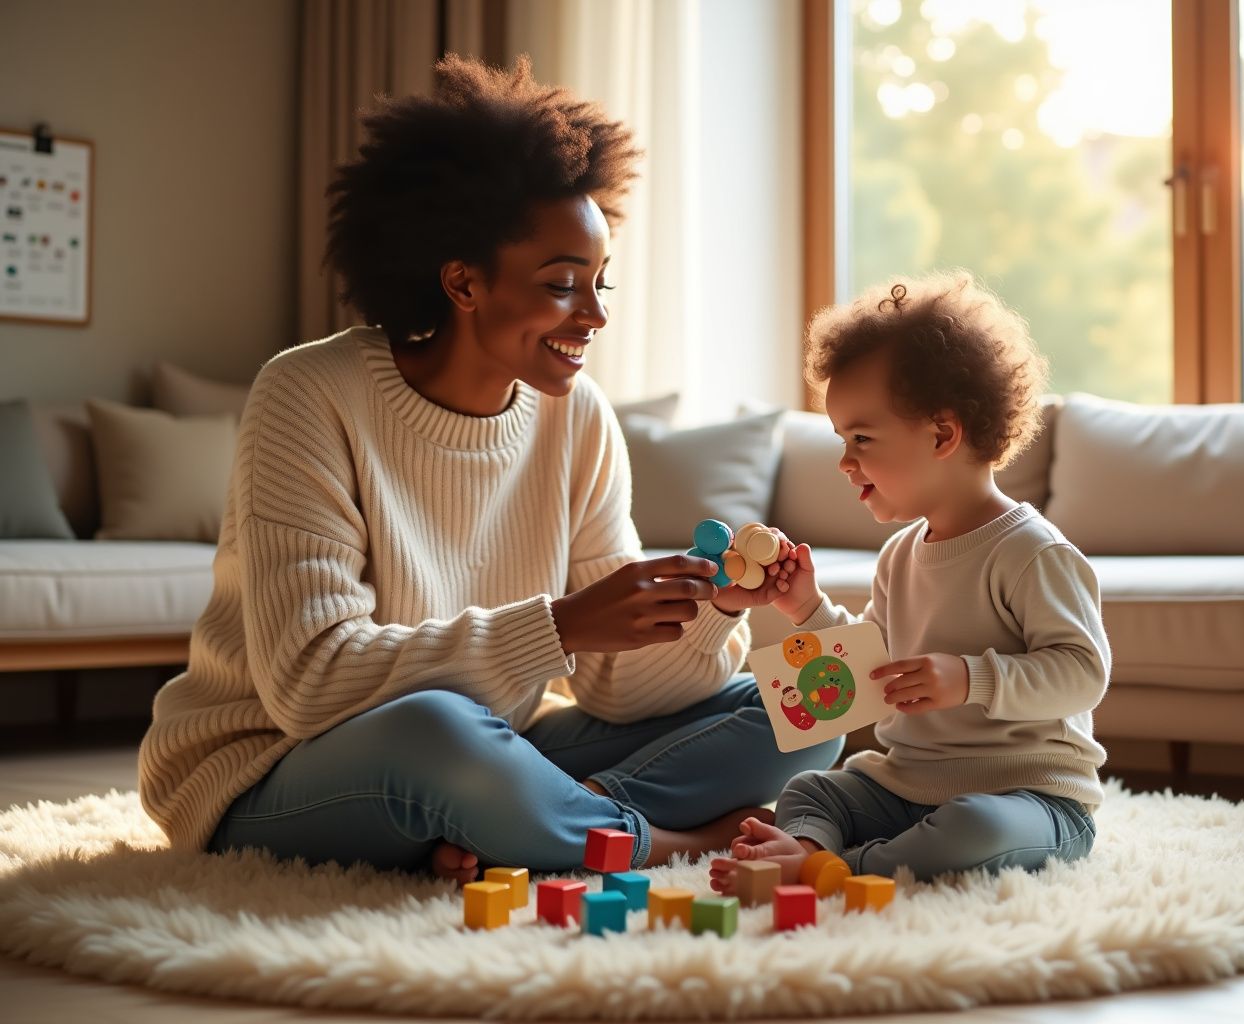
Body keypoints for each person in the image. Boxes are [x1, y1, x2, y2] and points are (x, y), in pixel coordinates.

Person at [137, 55, 840, 882]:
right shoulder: (308, 393)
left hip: (480, 741)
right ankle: (666, 842)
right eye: (562, 285)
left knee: (811, 707)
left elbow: (614, 692)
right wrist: (563, 625)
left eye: (601, 283)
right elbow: (310, 684)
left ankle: (528, 820)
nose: (597, 314)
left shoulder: (577, 417)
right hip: (271, 768)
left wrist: (713, 611)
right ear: (463, 283)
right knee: (438, 734)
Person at [710, 271, 1109, 890]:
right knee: (812, 788)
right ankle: (810, 847)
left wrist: (970, 678)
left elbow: (1083, 673)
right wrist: (807, 608)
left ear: (943, 435)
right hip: (908, 785)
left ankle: (832, 869)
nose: (845, 460)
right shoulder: (899, 556)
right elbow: (870, 670)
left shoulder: (1032, 553)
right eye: (841, 438)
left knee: (976, 830)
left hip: (1029, 797)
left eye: (862, 438)